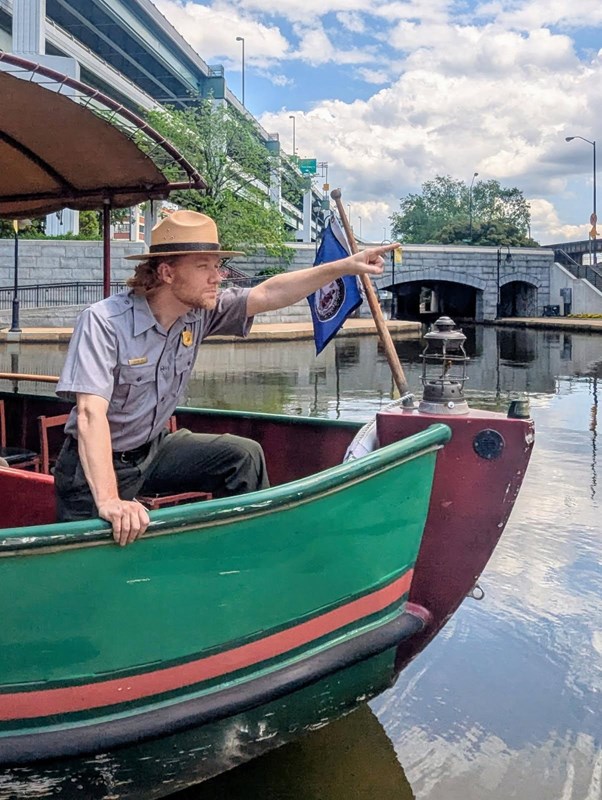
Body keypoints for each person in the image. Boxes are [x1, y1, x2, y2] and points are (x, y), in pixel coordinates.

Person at [55, 210, 397, 546]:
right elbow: (89, 415)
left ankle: (246, 552)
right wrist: (110, 501)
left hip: (152, 450)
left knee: (242, 456)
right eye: (204, 266)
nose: (217, 276)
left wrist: (345, 266)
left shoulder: (199, 313)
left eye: (216, 265)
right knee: (96, 562)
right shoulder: (103, 322)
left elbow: (267, 294)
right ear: (167, 272)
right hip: (94, 467)